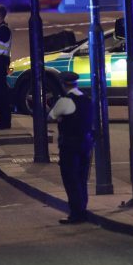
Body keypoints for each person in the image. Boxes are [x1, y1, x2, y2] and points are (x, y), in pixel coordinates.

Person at [48, 72, 94, 224]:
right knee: (82, 178)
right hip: (86, 143)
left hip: (70, 145)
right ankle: (82, 209)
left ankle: (76, 213)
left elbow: (50, 117)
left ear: (63, 84)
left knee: (70, 178)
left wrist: (61, 118)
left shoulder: (65, 101)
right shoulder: (87, 100)